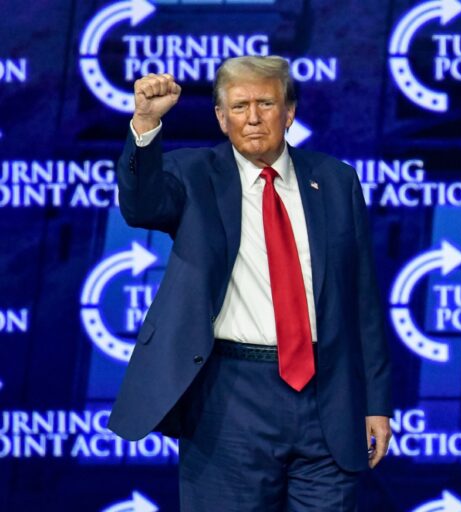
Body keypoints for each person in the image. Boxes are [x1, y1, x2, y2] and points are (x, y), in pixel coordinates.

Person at [107, 55, 392, 511]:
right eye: (239, 107)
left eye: (266, 103)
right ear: (221, 118)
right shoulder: (192, 173)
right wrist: (144, 124)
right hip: (228, 398)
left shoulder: (336, 180)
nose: (254, 118)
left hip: (328, 397)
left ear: (290, 112)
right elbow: (141, 206)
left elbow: (363, 301)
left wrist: (376, 402)